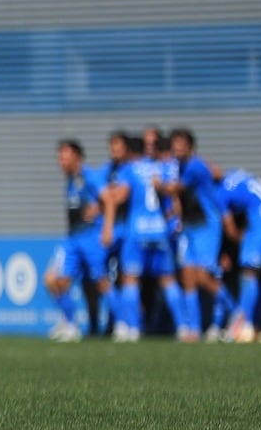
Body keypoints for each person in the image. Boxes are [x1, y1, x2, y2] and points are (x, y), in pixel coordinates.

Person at [99, 130, 174, 343]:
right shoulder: (160, 168)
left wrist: (106, 201)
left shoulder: (130, 169)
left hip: (137, 230)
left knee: (129, 279)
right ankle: (188, 328)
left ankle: (131, 327)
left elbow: (119, 196)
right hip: (160, 230)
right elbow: (172, 198)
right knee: (168, 281)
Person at [166, 129, 231, 342]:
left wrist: (158, 183)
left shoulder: (195, 166)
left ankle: (236, 312)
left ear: (191, 147)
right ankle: (193, 330)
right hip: (190, 228)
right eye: (174, 144)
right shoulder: (180, 166)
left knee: (204, 277)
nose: (177, 148)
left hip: (206, 226)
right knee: (187, 276)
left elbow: (176, 188)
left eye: (181, 144)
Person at [43, 140, 109, 343]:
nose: (60, 160)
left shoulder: (89, 175)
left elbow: (108, 198)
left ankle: (129, 324)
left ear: (77, 157)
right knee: (53, 279)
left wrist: (104, 223)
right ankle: (70, 324)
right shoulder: (71, 179)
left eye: (65, 155)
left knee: (101, 283)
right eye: (59, 156)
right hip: (73, 237)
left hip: (91, 236)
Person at [220, 167, 261, 343]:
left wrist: (242, 242)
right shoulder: (240, 175)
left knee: (248, 273)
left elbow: (230, 230)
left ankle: (246, 326)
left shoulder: (220, 192)